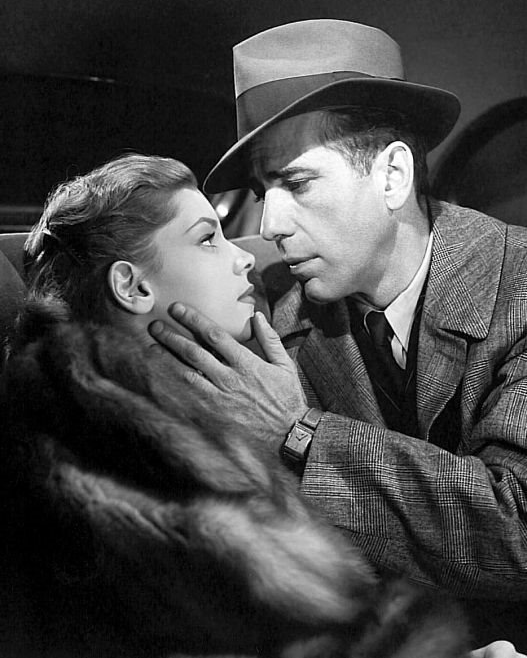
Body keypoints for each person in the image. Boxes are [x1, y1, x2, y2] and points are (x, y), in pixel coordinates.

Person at [147, 20, 527, 653]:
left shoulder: (519, 288)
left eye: (297, 183)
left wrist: (298, 435)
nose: (270, 224)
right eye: (264, 191)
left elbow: (517, 530)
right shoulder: (272, 312)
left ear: (392, 175)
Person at [0, 153, 470, 658]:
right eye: (207, 239)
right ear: (133, 286)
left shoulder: (173, 415)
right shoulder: (100, 456)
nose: (246, 257)